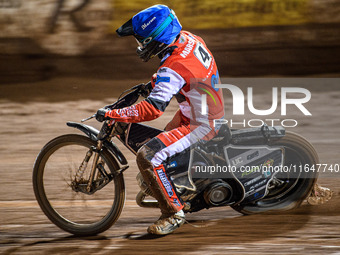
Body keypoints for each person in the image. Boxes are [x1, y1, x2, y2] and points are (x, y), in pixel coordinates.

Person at [96, 4, 224, 235]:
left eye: (142, 40)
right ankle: (182, 183)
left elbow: (153, 110)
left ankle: (173, 213)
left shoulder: (172, 68)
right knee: (164, 144)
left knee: (149, 156)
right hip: (199, 110)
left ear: (157, 37)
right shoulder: (189, 39)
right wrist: (150, 86)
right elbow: (183, 76)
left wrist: (113, 113)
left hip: (200, 123)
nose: (140, 45)